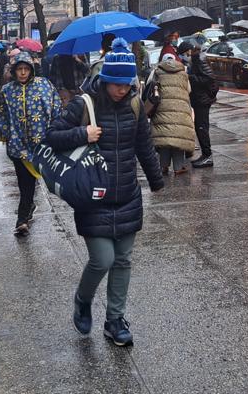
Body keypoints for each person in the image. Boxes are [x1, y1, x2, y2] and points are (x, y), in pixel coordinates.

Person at [46, 38, 164, 346]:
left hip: (126, 194)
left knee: (123, 259)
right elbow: (51, 137)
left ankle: (114, 320)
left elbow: (144, 146)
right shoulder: (83, 104)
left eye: (127, 85)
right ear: (106, 80)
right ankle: (83, 300)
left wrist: (156, 181)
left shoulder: (135, 106)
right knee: (103, 259)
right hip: (93, 196)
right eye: (117, 85)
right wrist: (82, 133)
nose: (122, 90)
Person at [0, 52, 61, 236]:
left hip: (42, 146)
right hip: (18, 147)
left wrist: (54, 132)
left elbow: (56, 108)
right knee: (25, 183)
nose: (22, 73)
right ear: (14, 71)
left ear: (31, 70)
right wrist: (7, 133)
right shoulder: (7, 91)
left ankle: (28, 207)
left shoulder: (44, 86)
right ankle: (22, 219)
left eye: (26, 69)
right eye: (19, 69)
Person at [144, 53, 197, 175]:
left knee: (165, 137)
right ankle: (178, 167)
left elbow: (149, 87)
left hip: (162, 108)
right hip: (180, 108)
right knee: (178, 137)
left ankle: (163, 166)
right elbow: (189, 90)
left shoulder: (156, 72)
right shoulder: (183, 72)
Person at [179, 40, 217, 168]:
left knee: (202, 128)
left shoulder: (199, 59)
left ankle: (208, 156)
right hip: (199, 99)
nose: (185, 56)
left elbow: (209, 78)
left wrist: (192, 78)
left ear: (189, 51)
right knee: (199, 127)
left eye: (185, 53)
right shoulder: (195, 60)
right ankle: (205, 155)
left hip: (203, 100)